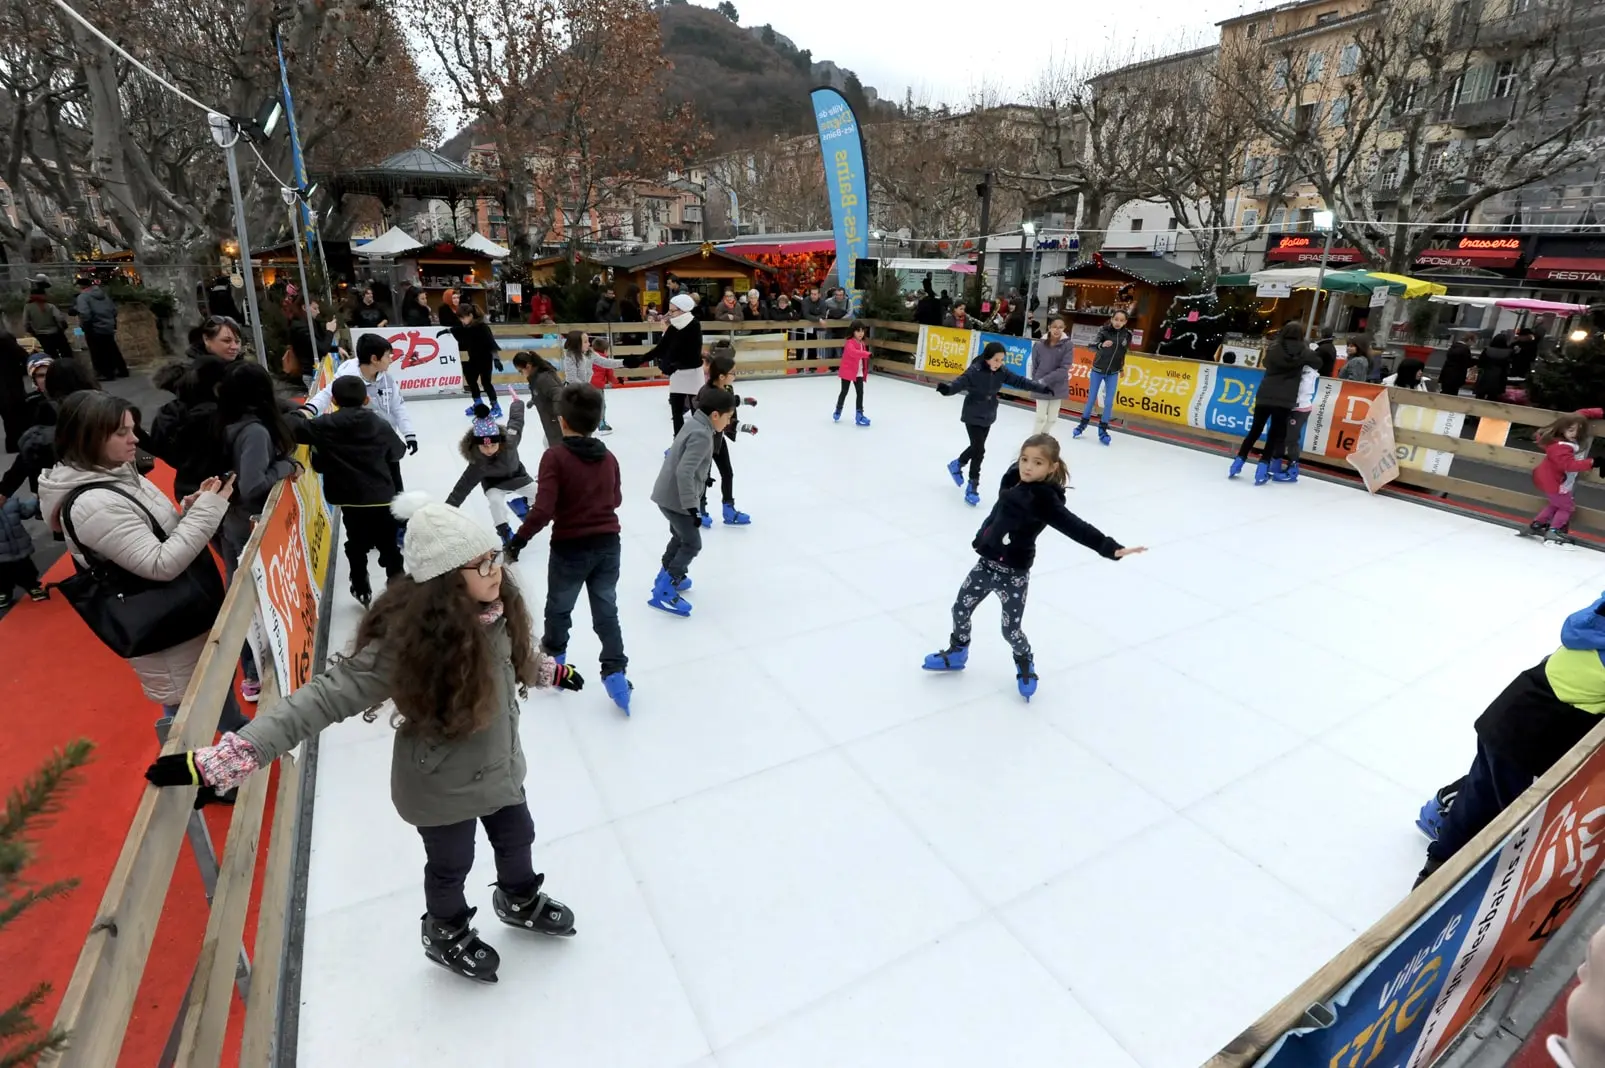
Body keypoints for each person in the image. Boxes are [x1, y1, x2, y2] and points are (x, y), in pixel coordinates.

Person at [143, 493, 585, 983]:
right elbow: (325, 697)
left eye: (494, 557)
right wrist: (238, 754)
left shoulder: (499, 612)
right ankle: (444, 930)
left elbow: (515, 657)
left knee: (517, 835)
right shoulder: (410, 644)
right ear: (445, 580)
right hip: (441, 784)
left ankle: (518, 897)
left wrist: (551, 671)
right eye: (480, 563)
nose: (495, 570)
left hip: (501, 766)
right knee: (451, 863)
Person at [38, 391, 248, 733]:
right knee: (192, 713)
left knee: (211, 693)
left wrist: (193, 509)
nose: (134, 439)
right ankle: (205, 775)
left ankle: (232, 743)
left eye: (132, 429)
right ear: (88, 436)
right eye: (122, 432)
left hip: (181, 617)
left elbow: (158, 534)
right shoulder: (94, 503)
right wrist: (209, 510)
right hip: (165, 627)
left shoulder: (120, 474)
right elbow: (159, 563)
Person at [921, 434, 1145, 699]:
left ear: (1052, 467)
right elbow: (998, 512)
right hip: (987, 563)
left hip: (1014, 574)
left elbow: (1075, 526)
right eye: (1025, 459)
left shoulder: (1044, 500)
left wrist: (1109, 547)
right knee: (960, 609)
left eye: (1037, 463)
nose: (1028, 467)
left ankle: (1024, 660)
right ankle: (958, 651)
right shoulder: (1013, 477)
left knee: (1011, 630)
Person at [1413, 591, 1605, 887]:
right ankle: (1435, 882)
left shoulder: (1595, 623)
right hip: (1531, 734)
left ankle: (1443, 830)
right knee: (1507, 817)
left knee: (1486, 793)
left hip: (1521, 709)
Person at [505, 385, 631, 713]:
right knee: (607, 611)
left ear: (562, 422)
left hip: (570, 549)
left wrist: (517, 541)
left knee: (559, 609)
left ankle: (554, 665)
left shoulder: (555, 456)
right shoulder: (609, 457)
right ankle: (616, 673)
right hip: (608, 547)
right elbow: (615, 500)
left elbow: (544, 509)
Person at [217, 361, 299, 702]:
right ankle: (254, 672)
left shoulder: (229, 422)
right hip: (246, 524)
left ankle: (255, 667)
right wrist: (286, 465)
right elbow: (252, 484)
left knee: (243, 597)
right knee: (249, 603)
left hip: (236, 520)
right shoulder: (254, 432)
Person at [293, 375, 406, 606]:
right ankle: (398, 585)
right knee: (388, 544)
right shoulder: (379, 424)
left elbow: (294, 428)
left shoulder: (323, 426)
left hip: (349, 499)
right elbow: (398, 451)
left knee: (356, 542)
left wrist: (300, 412)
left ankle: (360, 583)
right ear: (366, 399)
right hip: (382, 497)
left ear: (333, 400)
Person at [648, 385, 736, 617]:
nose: (728, 423)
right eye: (727, 417)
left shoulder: (695, 424)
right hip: (678, 499)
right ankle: (665, 590)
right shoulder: (702, 435)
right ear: (715, 415)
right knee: (692, 543)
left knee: (680, 536)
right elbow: (684, 472)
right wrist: (691, 507)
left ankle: (664, 577)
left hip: (667, 495)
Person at [937, 341, 1053, 507]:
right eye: (997, 360)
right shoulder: (975, 371)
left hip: (989, 413)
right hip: (973, 414)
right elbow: (959, 382)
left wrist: (1041, 388)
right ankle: (972, 486)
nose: (999, 363)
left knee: (978, 446)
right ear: (987, 358)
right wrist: (947, 389)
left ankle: (957, 464)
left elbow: (1020, 381)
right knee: (979, 449)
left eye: (1001, 360)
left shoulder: (1002, 371)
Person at [1229, 322, 1321, 485]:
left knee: (1255, 430)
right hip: (1285, 399)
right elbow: (1318, 363)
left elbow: (1266, 363)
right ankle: (1262, 469)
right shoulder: (1304, 352)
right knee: (1273, 435)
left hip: (1265, 394)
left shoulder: (1273, 348)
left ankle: (1238, 462)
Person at [304, 334, 418, 459]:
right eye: (387, 356)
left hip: (385, 439)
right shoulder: (348, 378)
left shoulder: (388, 380)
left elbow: (398, 406)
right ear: (374, 359)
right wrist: (310, 408)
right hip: (361, 443)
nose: (391, 360)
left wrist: (409, 433)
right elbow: (327, 393)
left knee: (393, 476)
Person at [447, 399, 533, 546]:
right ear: (476, 445)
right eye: (484, 447)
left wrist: (517, 403)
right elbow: (463, 486)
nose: (489, 450)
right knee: (495, 501)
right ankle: (505, 532)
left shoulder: (510, 441)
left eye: (493, 445)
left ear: (499, 441)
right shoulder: (478, 462)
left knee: (543, 493)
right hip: (494, 484)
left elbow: (516, 421)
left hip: (518, 477)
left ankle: (524, 505)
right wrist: (447, 509)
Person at [148, 356, 230, 501]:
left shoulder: (167, 412)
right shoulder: (218, 413)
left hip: (185, 485)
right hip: (220, 486)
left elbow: (159, 449)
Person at [1519, 409, 1602, 549]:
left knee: (1555, 504)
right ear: (1561, 428)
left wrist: (1600, 412)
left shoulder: (1558, 441)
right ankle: (1553, 532)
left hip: (1552, 480)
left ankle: (1537, 524)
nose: (1575, 434)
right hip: (1556, 483)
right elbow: (1568, 465)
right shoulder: (1561, 447)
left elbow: (1580, 414)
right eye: (1571, 430)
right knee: (1567, 507)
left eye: (1579, 430)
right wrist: (1593, 462)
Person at [701, 349, 758, 526]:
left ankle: (728, 509)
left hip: (718, 439)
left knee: (727, 473)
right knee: (703, 476)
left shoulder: (726, 389)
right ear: (722, 376)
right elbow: (720, 418)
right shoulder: (707, 393)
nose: (735, 376)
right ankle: (699, 509)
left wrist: (745, 404)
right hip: (704, 440)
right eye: (733, 373)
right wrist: (742, 426)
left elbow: (730, 409)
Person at [646, 293, 705, 435]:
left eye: (672, 311)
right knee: (676, 411)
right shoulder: (673, 328)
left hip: (692, 374)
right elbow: (662, 349)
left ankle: (701, 440)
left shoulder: (693, 326)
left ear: (683, 310)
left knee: (697, 411)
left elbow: (691, 354)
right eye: (669, 311)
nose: (669, 314)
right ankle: (678, 441)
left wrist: (672, 364)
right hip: (677, 374)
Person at [1075, 310, 1131, 444]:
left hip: (1113, 372)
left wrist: (1121, 368)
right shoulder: (1104, 331)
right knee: (1091, 399)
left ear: (1125, 322)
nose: (1118, 322)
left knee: (1109, 402)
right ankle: (1082, 424)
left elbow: (1122, 353)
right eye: (1116, 319)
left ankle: (1103, 429)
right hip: (1098, 369)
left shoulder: (1126, 335)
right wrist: (1101, 345)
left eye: (1121, 320)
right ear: (1111, 319)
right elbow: (1091, 347)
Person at [561, 331, 623, 436]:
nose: (589, 344)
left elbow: (605, 362)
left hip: (585, 391)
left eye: (588, 341)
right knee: (575, 425)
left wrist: (624, 362)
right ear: (577, 343)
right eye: (585, 342)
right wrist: (587, 389)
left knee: (587, 423)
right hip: (573, 394)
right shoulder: (570, 356)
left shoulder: (590, 353)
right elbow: (572, 378)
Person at [75, 276, 128, 380]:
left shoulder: (83, 297)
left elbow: (85, 313)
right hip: (108, 326)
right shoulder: (103, 294)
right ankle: (122, 370)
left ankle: (106, 373)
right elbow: (113, 310)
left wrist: (86, 326)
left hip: (93, 327)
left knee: (98, 352)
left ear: (81, 286)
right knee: (112, 349)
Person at [0, 491, 47, 608]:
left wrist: (35, 499)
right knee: (2, 574)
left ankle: (33, 587)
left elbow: (26, 511)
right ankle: (4, 593)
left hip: (19, 547)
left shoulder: (10, 502)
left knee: (26, 569)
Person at [1029, 316, 1075, 435]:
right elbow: (1034, 365)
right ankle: (1034, 440)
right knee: (1040, 418)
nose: (1057, 330)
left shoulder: (1068, 345)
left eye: (1060, 327)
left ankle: (1044, 437)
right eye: (1054, 327)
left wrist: (1046, 379)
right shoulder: (1039, 345)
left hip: (1058, 385)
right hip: (1041, 385)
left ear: (1064, 328)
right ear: (1049, 327)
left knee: (1052, 419)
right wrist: (1036, 382)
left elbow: (1065, 368)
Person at [454, 302, 501, 417]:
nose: (462, 321)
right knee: (470, 379)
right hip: (473, 359)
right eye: (460, 319)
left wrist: (496, 359)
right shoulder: (467, 328)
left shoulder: (482, 327)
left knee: (486, 383)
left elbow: (491, 343)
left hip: (485, 359)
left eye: (463, 318)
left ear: (470, 315)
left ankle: (496, 407)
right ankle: (478, 403)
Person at [510, 349, 564, 449]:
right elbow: (541, 392)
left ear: (528, 366)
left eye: (521, 371)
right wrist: (534, 400)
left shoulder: (543, 378)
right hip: (550, 418)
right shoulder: (535, 377)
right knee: (547, 443)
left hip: (555, 420)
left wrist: (559, 414)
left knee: (556, 446)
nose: (521, 374)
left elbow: (558, 393)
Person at [833, 320, 872, 426]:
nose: (861, 333)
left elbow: (861, 358)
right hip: (848, 371)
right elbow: (853, 353)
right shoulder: (850, 342)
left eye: (862, 331)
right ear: (853, 332)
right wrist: (867, 354)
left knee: (860, 392)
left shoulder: (862, 343)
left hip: (858, 372)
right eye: (858, 331)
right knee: (844, 391)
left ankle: (859, 414)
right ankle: (838, 409)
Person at [23, 279, 71, 362]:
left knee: (51, 355)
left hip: (41, 335)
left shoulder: (28, 307)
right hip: (56, 333)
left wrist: (33, 332)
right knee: (66, 353)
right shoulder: (50, 306)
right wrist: (63, 327)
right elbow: (59, 318)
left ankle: (55, 370)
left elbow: (25, 322)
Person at [585, 335, 623, 434]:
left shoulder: (588, 356)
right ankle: (601, 423)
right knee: (601, 405)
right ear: (605, 350)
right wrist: (618, 381)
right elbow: (610, 376)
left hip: (586, 383)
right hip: (597, 386)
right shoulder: (605, 360)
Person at [0, 324, 29, 454]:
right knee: (16, 412)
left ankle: (12, 443)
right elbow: (22, 355)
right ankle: (16, 443)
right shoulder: (4, 337)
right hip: (9, 380)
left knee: (8, 414)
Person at [1475, 331, 1515, 400]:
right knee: (1493, 397)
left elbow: (1480, 363)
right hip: (1500, 377)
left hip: (1485, 375)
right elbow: (1509, 365)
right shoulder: (1509, 352)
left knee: (1480, 396)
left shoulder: (1487, 350)